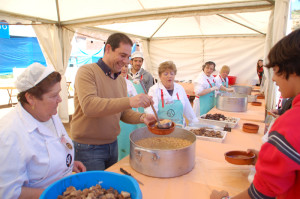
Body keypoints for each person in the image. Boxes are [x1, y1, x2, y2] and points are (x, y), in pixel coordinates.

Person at [210, 28, 300, 199]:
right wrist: (272, 160)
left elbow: (261, 195)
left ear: (293, 68)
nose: (273, 78)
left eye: (276, 70)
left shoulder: (291, 123)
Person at [70, 33, 156, 171]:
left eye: (128, 57)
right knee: (95, 189)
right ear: (108, 49)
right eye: (122, 55)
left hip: (112, 144)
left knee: (109, 189)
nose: (127, 61)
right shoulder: (87, 72)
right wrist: (130, 101)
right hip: (88, 147)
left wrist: (142, 117)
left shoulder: (121, 81)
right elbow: (90, 106)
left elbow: (123, 113)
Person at [0, 63, 86, 199]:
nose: (60, 99)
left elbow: (53, 147)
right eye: (53, 95)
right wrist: (58, 195)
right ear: (30, 98)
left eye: (59, 93)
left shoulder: (48, 113)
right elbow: (9, 192)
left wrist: (68, 164)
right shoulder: (10, 134)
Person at [145, 61, 198, 126]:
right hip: (162, 129)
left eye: (172, 73)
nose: (169, 76)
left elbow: (188, 108)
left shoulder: (180, 88)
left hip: (179, 127)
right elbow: (150, 110)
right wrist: (154, 123)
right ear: (160, 76)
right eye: (166, 74)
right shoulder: (154, 90)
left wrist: (195, 123)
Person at [117, 64, 142, 161]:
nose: (124, 69)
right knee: (119, 145)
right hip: (118, 121)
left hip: (129, 122)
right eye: (122, 66)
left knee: (129, 145)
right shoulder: (112, 84)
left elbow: (136, 102)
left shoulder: (130, 84)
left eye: (126, 67)